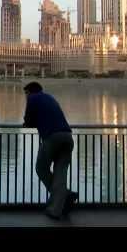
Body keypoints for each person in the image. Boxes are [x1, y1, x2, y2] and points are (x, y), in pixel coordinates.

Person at [23, 81, 78, 219]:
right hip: (67, 137)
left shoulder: (32, 98)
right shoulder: (50, 97)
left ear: (29, 92)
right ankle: (60, 202)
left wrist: (31, 122)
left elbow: (28, 121)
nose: (25, 97)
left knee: (41, 168)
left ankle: (60, 202)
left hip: (52, 137)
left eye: (25, 94)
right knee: (61, 173)